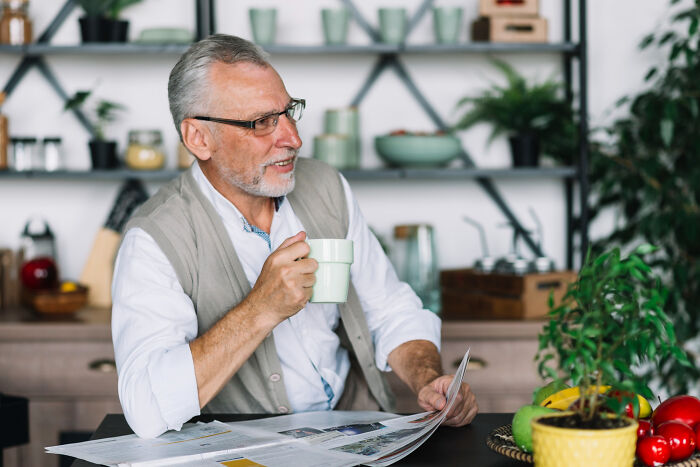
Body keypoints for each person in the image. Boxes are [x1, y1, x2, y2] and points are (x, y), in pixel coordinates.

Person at [111, 34, 478, 439]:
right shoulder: (154, 239)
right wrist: (260, 309)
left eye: (289, 112)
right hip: (243, 451)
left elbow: (389, 309)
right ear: (199, 138)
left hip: (355, 434)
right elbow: (145, 409)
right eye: (262, 122)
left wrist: (429, 379)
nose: (292, 138)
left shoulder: (327, 187)